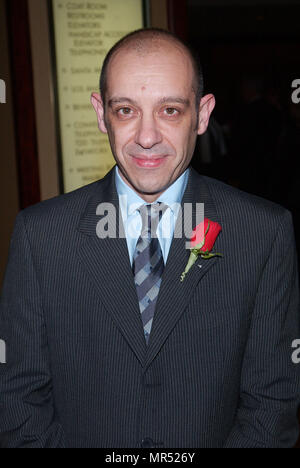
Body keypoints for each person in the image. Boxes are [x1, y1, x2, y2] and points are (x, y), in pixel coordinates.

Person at [0, 28, 299, 449]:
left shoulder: (263, 233)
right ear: (101, 114)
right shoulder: (40, 236)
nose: (146, 136)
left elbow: (272, 403)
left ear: (203, 113)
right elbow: (18, 399)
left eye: (170, 110)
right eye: (125, 110)